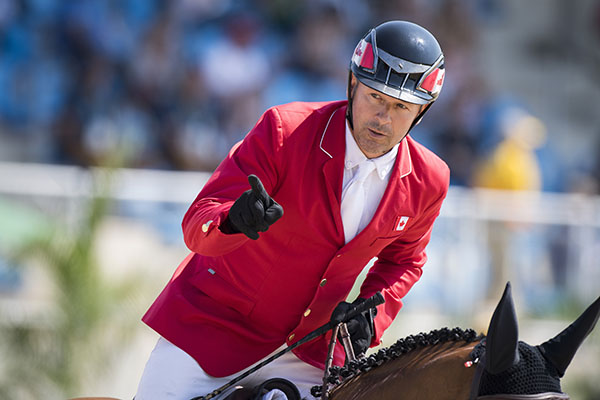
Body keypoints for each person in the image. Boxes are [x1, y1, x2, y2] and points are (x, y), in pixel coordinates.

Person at [136, 20, 450, 400]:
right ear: (352, 84)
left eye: (401, 106)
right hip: (215, 328)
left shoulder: (430, 179)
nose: (383, 117)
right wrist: (233, 222)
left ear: (422, 111)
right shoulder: (284, 130)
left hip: (309, 351)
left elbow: (404, 261)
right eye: (375, 97)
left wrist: (373, 313)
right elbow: (197, 222)